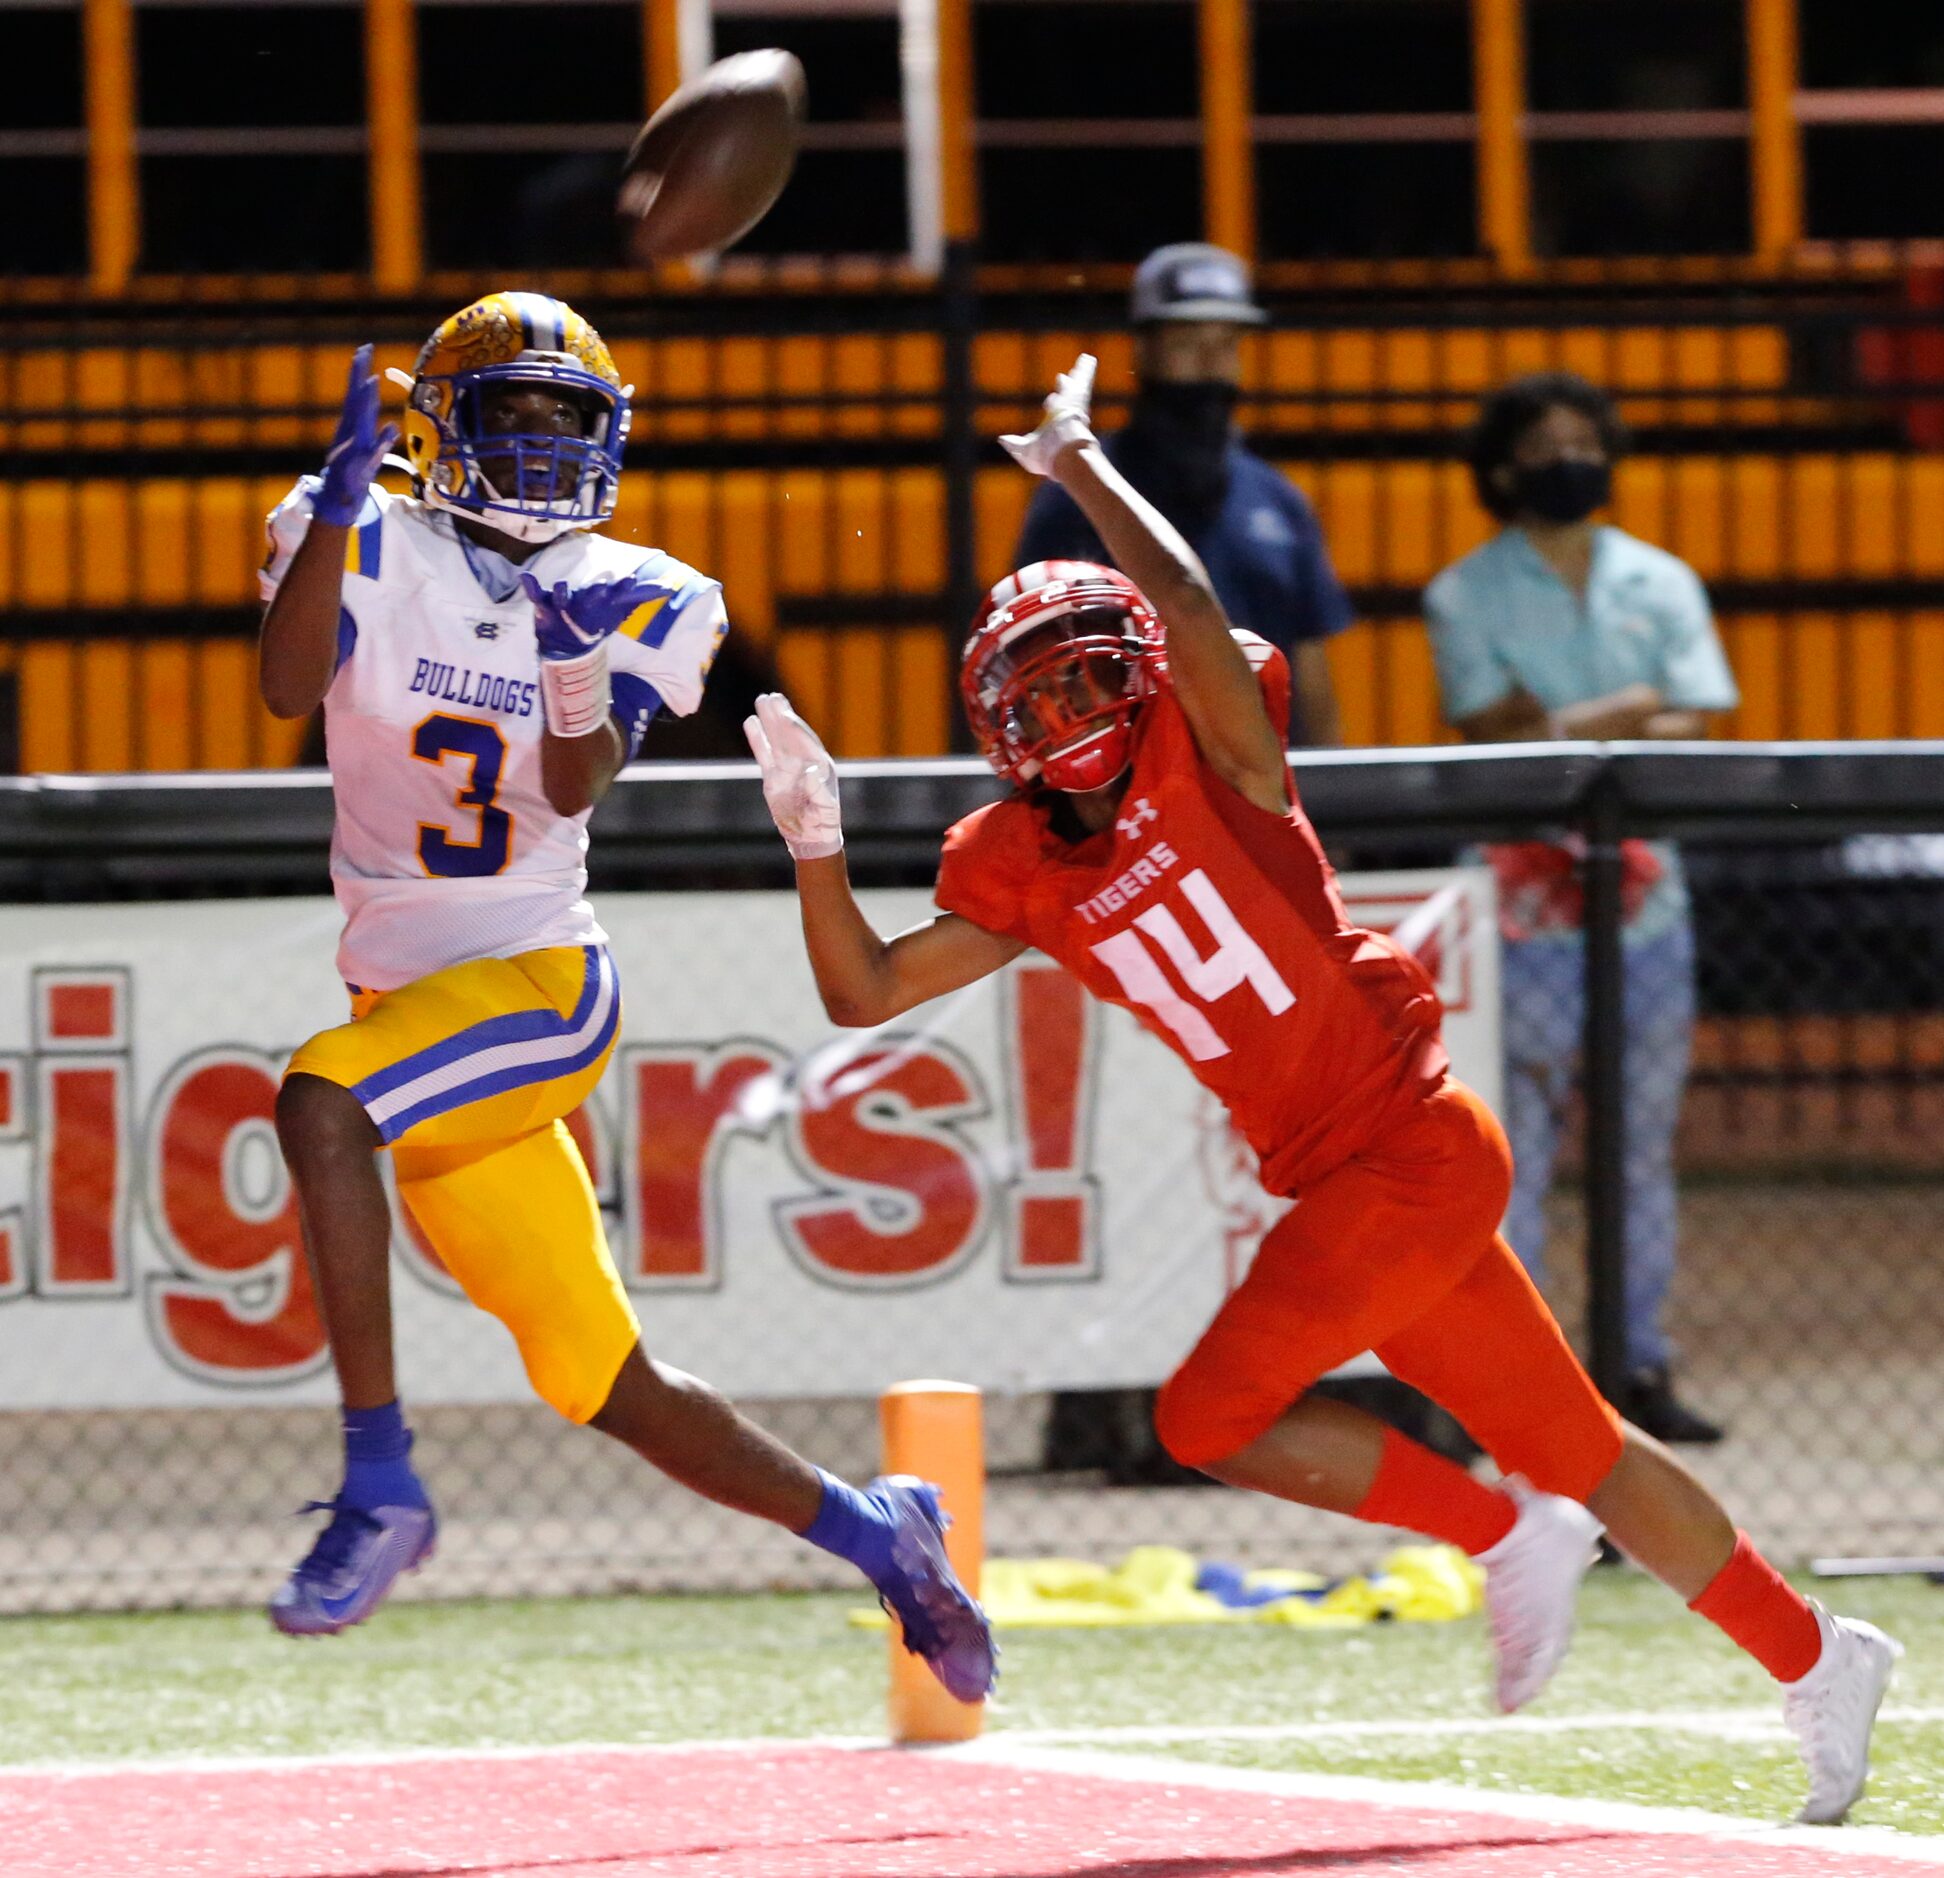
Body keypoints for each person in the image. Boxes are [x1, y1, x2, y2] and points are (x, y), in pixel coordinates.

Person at [744, 353, 1899, 1825]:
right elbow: (866, 991)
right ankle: (1815, 1656)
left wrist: (1083, 468)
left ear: (1142, 668)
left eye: (1100, 665)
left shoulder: (1216, 752)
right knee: (1587, 1449)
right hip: (1358, 1179)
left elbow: (1179, 602)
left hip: (1406, 1149)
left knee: (1210, 1413)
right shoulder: (1023, 869)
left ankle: (1497, 1531)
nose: (1082, 698)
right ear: (1003, 732)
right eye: (1045, 691)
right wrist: (813, 840)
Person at [254, 291, 994, 1705]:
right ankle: (879, 1527)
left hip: (534, 987)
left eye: (563, 416)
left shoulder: (644, 585)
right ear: (438, 423)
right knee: (608, 1379)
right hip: (415, 1013)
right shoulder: (351, 528)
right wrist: (343, 511)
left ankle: (379, 1477)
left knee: (322, 1098)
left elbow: (571, 786)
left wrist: (569, 668)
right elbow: (292, 687)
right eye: (510, 411)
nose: (537, 444)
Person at [1424, 371, 1739, 1446]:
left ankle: (1634, 1367)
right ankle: (1517, 1374)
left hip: (1647, 908)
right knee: (1511, 1148)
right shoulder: (1464, 592)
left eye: (1584, 439)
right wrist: (1635, 709)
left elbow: (1699, 720)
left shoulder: (1661, 579)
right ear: (1503, 469)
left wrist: (1580, 720)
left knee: (1640, 1143)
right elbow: (1496, 727)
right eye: (1545, 443)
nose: (1570, 458)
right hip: (1521, 914)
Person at [1014, 242, 1351, 747]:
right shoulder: (1080, 494)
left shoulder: (1279, 502)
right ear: (1145, 350)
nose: (1210, 366)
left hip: (1257, 790)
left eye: (1225, 346)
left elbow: (1313, 681)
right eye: (1188, 344)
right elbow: (1029, 665)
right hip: (1128, 790)